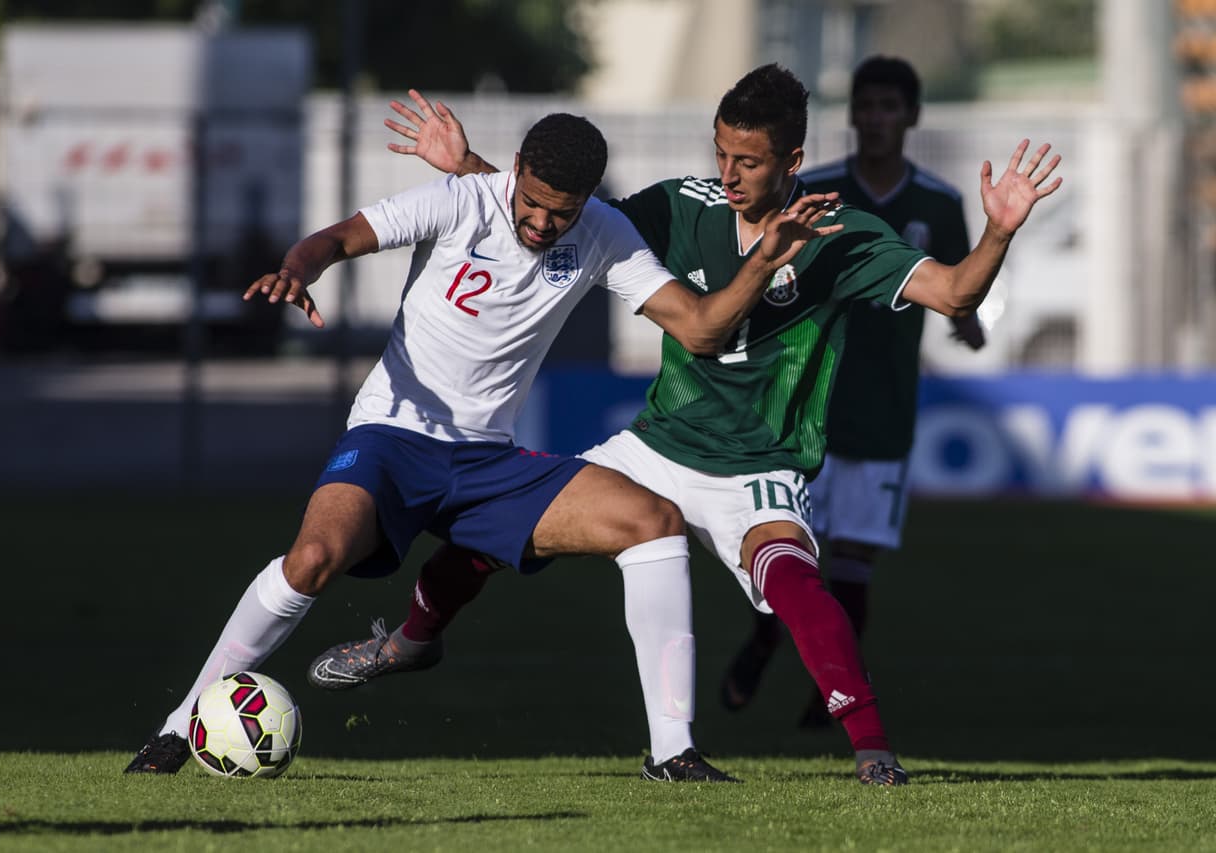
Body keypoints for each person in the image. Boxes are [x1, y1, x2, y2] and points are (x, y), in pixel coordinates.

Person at [308, 65, 1061, 787]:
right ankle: (410, 641)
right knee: (493, 532)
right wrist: (472, 168)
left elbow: (955, 295)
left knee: (797, 583)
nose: (728, 173)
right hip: (656, 444)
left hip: (759, 461)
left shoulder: (839, 233)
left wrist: (998, 233)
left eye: (748, 161)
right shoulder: (681, 206)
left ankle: (872, 749)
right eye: (721, 152)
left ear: (793, 161)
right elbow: (564, 221)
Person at [123, 111, 842, 778]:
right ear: (516, 167)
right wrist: (297, 270)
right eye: (532, 202)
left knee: (652, 522)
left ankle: (673, 751)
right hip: (392, 436)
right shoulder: (457, 200)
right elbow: (337, 238)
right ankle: (178, 726)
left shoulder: (603, 231)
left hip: (486, 460)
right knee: (311, 559)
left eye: (562, 212)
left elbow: (701, 328)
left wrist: (762, 260)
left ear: (587, 200)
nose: (542, 222)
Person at [719, 56, 987, 724]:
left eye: (889, 106)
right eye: (865, 105)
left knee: (854, 561)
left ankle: (827, 693)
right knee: (789, 551)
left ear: (911, 116)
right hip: (802, 401)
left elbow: (957, 285)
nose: (875, 118)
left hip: (884, 409)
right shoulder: (815, 193)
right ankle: (762, 642)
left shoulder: (938, 204)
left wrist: (968, 323)